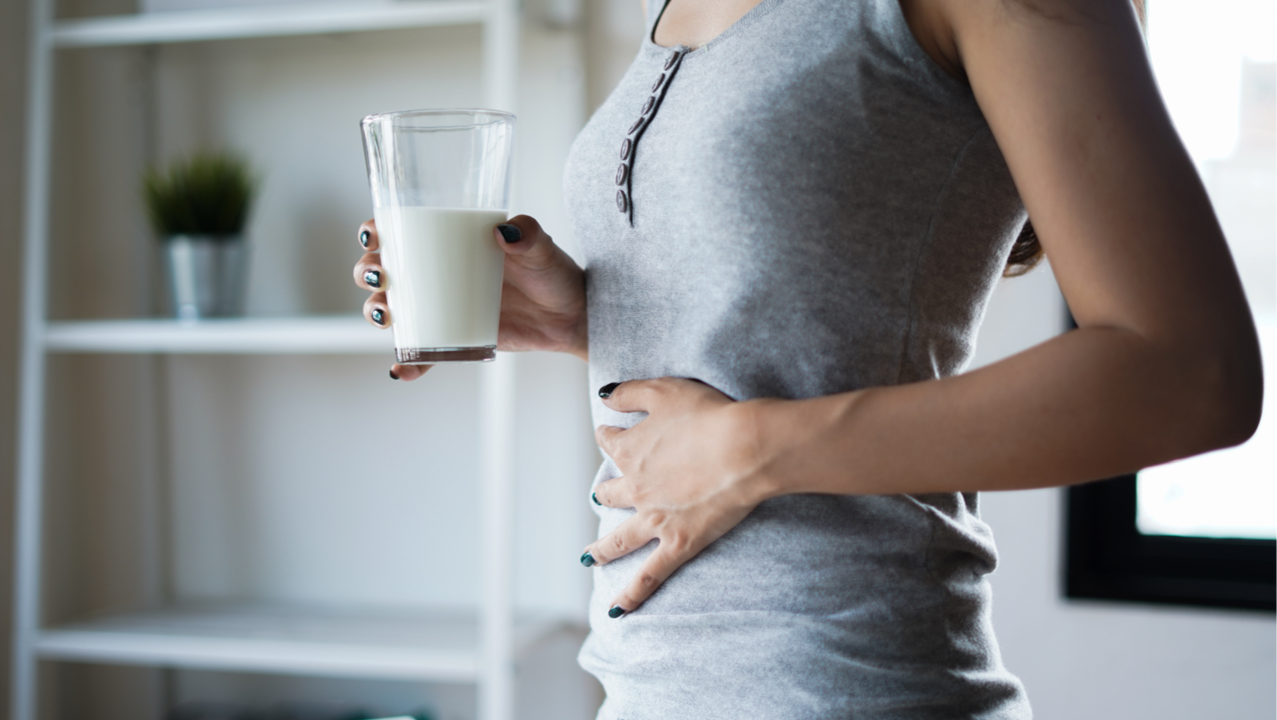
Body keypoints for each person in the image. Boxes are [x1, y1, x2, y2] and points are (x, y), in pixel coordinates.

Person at [353, 0, 1263, 716]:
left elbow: (1191, 371)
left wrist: (753, 449)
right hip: (644, 690)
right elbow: (802, 325)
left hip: (850, 689)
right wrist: (587, 320)